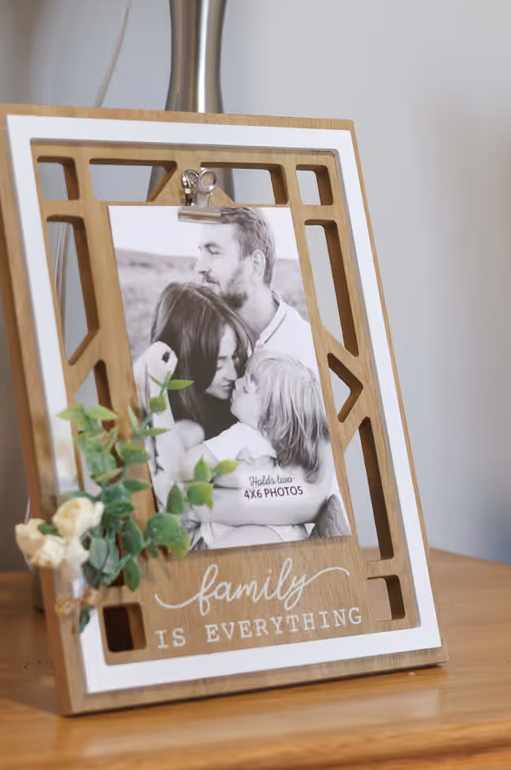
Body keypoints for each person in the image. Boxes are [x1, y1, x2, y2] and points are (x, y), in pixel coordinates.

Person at [188, 352, 351, 547]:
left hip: (211, 540)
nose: (237, 383)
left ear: (269, 414)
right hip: (287, 534)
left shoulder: (242, 434)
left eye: (247, 387)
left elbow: (190, 463)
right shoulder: (296, 452)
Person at [138, 284, 251, 509]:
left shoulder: (245, 386)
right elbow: (175, 477)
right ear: (185, 361)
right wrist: (158, 388)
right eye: (218, 364)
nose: (232, 374)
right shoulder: (179, 424)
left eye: (234, 356)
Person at [194, 208, 319, 370]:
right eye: (201, 252)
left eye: (214, 253)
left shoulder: (302, 359)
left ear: (255, 265)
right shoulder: (217, 340)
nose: (200, 267)